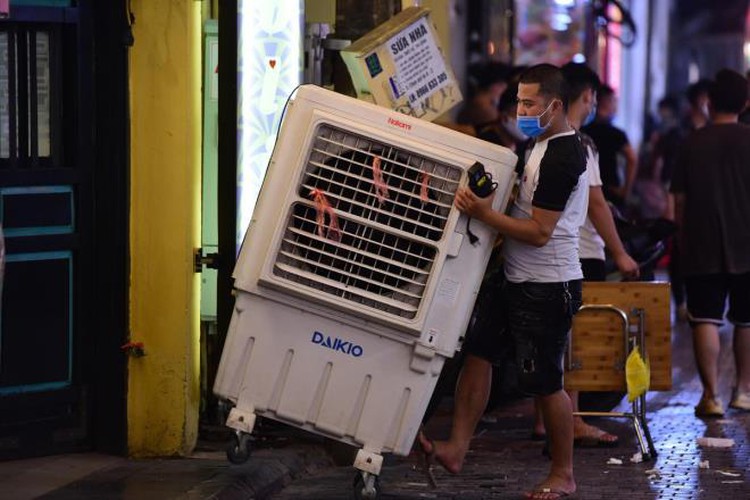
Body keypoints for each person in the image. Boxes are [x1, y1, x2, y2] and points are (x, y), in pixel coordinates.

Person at [419, 63, 588, 499]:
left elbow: (539, 232)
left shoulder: (564, 155)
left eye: (529, 102)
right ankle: (457, 447)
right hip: (514, 275)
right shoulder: (538, 142)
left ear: (556, 104)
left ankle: (563, 473)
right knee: (478, 353)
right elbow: (524, 208)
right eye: (518, 100)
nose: (520, 109)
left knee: (545, 381)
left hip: (548, 284)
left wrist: (485, 214)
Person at [530, 62, 641, 447]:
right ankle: (571, 419)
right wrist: (622, 254)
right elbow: (597, 205)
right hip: (579, 254)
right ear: (587, 97)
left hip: (544, 255)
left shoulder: (541, 142)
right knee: (570, 340)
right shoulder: (581, 144)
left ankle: (546, 420)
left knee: (549, 339)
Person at [670, 68, 750, 417]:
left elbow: (679, 201)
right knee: (746, 321)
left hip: (701, 243)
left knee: (705, 319)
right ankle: (744, 391)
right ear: (746, 103)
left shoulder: (691, 143)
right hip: (747, 245)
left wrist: (681, 237)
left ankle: (711, 396)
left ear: (708, 102)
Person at [581, 84, 638, 212]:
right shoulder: (616, 134)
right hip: (612, 191)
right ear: (607, 102)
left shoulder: (583, 130)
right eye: (614, 101)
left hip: (586, 192)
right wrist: (625, 191)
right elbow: (632, 159)